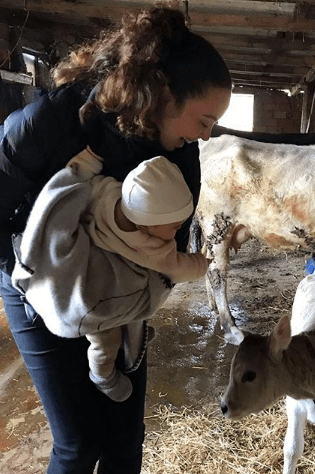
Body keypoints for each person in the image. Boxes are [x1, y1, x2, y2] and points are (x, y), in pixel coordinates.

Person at [0, 5, 231, 474]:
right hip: (41, 290)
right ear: (165, 95)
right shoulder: (54, 120)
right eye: (206, 119)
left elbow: (171, 235)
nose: (209, 135)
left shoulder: (179, 152)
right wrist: (39, 281)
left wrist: (140, 282)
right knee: (78, 442)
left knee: (125, 439)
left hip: (120, 295)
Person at [13, 146, 211, 403]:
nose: (177, 232)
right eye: (174, 226)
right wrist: (202, 262)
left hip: (95, 262)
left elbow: (84, 182)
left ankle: (132, 338)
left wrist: (87, 161)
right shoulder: (153, 248)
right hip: (92, 296)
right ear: (145, 223)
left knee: (129, 295)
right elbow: (180, 268)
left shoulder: (107, 192)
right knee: (107, 340)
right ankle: (103, 376)